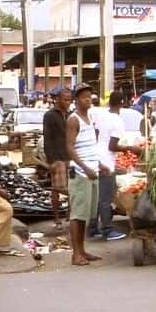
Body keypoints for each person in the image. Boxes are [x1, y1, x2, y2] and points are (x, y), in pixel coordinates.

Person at [90, 91, 141, 241]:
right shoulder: (117, 121)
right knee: (105, 198)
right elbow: (112, 146)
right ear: (123, 102)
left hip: (97, 158)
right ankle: (107, 230)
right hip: (106, 163)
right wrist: (130, 148)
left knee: (98, 197)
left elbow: (97, 135)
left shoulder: (101, 115)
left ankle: (93, 228)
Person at [65, 83, 104, 266]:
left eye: (89, 96)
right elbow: (69, 147)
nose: (88, 99)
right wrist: (85, 167)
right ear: (76, 100)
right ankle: (75, 254)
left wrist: (98, 164)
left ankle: (82, 250)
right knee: (78, 215)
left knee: (87, 215)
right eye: (83, 97)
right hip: (80, 172)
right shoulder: (74, 119)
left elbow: (90, 145)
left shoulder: (89, 117)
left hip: (92, 170)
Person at [43, 88, 72, 227]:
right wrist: (51, 160)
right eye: (65, 99)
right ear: (58, 99)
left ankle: (69, 214)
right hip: (57, 157)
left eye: (69, 99)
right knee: (57, 188)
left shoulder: (70, 115)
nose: (68, 102)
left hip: (70, 156)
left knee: (72, 187)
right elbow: (47, 138)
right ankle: (56, 218)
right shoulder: (50, 115)